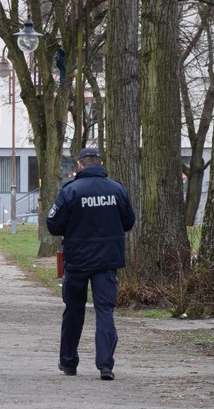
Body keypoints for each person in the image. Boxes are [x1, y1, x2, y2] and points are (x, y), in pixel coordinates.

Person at [45, 147, 135, 380]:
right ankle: (105, 365)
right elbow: (129, 222)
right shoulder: (117, 190)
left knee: (73, 311)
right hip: (107, 261)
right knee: (105, 310)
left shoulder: (71, 190)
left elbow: (53, 224)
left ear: (79, 165)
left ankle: (69, 362)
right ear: (101, 163)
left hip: (77, 261)